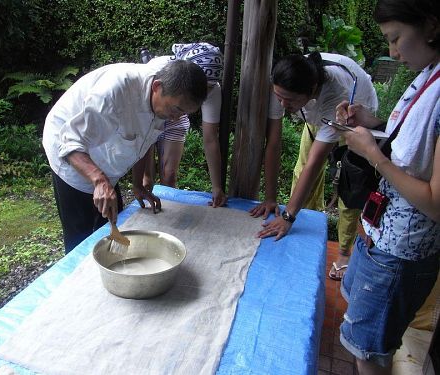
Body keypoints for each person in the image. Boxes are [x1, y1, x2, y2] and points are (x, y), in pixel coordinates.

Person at [335, 0, 439, 373]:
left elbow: (435, 203)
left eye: (396, 39)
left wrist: (374, 156)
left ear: (430, 24)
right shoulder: (428, 73)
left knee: (369, 354)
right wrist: (373, 123)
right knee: (361, 338)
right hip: (379, 233)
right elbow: (415, 150)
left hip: (401, 251)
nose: (393, 51)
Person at [43, 60, 208, 253]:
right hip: (69, 148)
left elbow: (143, 141)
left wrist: (137, 184)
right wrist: (100, 181)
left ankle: (108, 256)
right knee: (80, 237)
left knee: (112, 218)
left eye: (185, 114)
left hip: (105, 151)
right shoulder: (113, 93)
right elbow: (69, 142)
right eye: (177, 110)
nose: (176, 118)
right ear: (156, 87)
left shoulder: (168, 93)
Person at [250, 51, 378, 282]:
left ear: (311, 90)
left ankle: (343, 253)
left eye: (288, 101)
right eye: (279, 97)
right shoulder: (284, 83)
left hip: (353, 117)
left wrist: (287, 217)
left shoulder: (335, 92)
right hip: (319, 116)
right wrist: (270, 198)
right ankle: (303, 224)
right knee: (301, 173)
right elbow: (274, 142)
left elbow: (315, 163)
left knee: (351, 190)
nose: (282, 104)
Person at [142, 42, 227, 207]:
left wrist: (217, 187)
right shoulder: (156, 71)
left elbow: (210, 138)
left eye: (208, 87)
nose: (204, 92)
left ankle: (166, 212)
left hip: (177, 114)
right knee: (147, 179)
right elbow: (142, 130)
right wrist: (144, 176)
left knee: (169, 174)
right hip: (153, 110)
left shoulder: (212, 89)